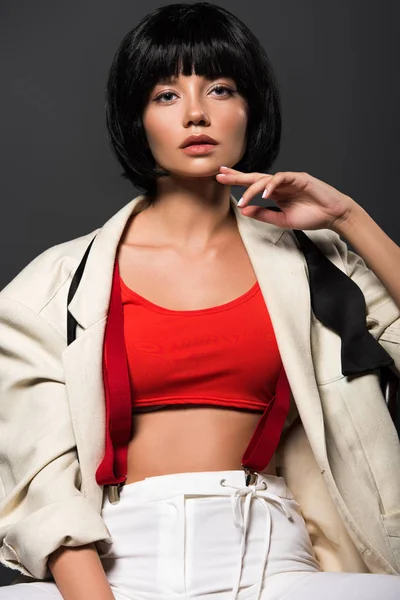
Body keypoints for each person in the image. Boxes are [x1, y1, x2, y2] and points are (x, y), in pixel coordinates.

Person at [0, 3, 400, 599]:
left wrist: (349, 219)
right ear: (136, 120)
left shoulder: (320, 265)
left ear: (250, 110)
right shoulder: (53, 285)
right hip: (114, 564)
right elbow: (43, 486)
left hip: (278, 558)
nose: (195, 113)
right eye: (165, 95)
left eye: (219, 88)